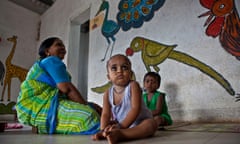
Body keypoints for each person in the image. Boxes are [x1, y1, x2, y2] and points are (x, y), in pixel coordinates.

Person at [15, 37, 101, 134]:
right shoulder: (51, 60)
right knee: (89, 116)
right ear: (47, 51)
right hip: (38, 106)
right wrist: (87, 106)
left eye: (63, 45)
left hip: (28, 109)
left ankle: (44, 126)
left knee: (95, 110)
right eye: (58, 45)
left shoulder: (45, 64)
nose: (63, 47)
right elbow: (67, 89)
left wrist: (89, 104)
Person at [92, 54, 157, 144]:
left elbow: (135, 109)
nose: (120, 71)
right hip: (120, 124)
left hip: (139, 123)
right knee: (110, 124)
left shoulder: (133, 86)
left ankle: (121, 135)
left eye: (124, 67)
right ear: (108, 77)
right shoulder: (107, 93)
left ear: (130, 74)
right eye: (114, 68)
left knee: (151, 124)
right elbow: (106, 114)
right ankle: (108, 134)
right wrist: (103, 129)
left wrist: (121, 127)